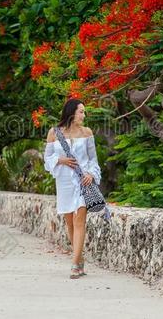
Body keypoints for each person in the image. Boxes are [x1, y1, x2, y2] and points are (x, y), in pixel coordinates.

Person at [43, 98, 101, 279]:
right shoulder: (54, 133)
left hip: (83, 181)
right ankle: (80, 259)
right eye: (81, 111)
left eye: (84, 111)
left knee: (79, 221)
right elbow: (47, 159)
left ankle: (75, 265)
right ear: (71, 113)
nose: (84, 115)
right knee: (69, 222)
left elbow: (93, 159)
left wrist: (91, 174)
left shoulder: (87, 133)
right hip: (64, 182)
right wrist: (61, 160)